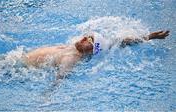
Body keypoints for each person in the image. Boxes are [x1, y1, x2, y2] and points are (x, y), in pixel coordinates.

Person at [23, 30, 170, 80]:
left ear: (91, 51)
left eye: (89, 41)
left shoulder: (71, 58)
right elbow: (119, 42)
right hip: (18, 58)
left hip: (19, 68)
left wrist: (47, 99)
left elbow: (59, 79)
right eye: (87, 36)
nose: (84, 38)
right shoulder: (73, 47)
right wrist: (148, 36)